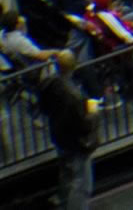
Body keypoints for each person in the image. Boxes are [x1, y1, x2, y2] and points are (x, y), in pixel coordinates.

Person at [39, 51, 98, 210]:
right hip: (75, 142)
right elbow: (83, 125)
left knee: (66, 174)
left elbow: (44, 108)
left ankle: (63, 204)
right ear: (74, 66)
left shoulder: (49, 84)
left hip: (58, 135)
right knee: (81, 183)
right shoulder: (74, 96)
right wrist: (92, 114)